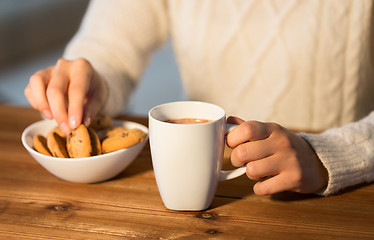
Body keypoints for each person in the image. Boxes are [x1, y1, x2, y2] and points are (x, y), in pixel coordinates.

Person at [24, 0, 374, 196]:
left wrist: (326, 154)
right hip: (202, 186)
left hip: (336, 197)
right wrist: (91, 81)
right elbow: (109, 48)